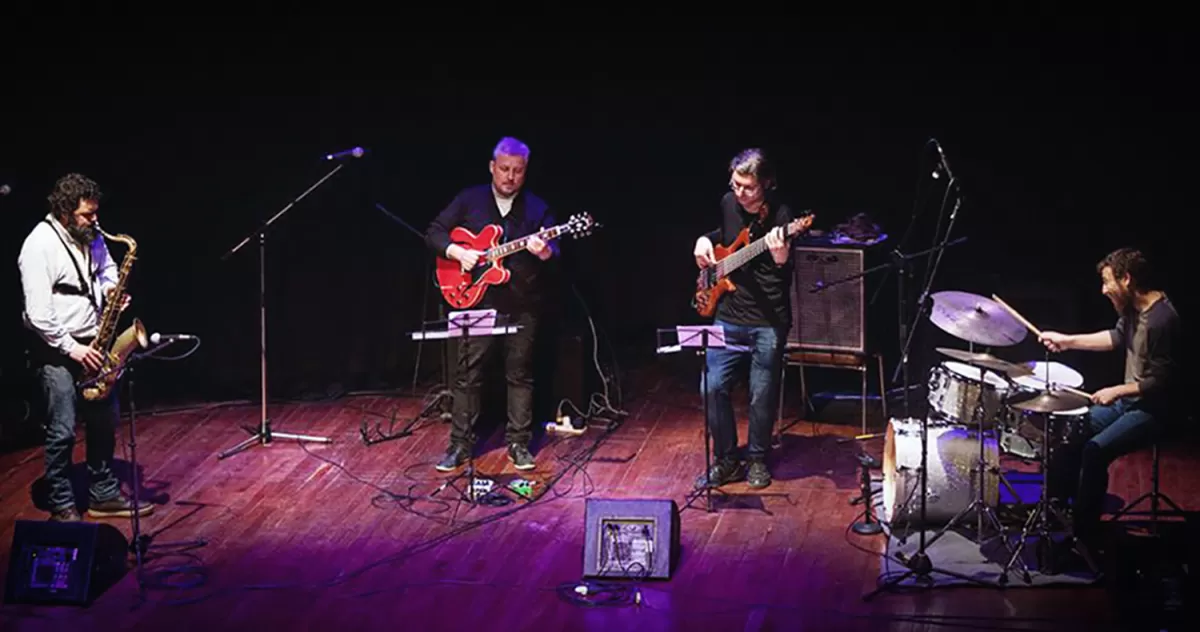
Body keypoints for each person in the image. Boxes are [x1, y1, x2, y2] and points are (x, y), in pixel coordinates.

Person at [17, 173, 154, 522]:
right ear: (64, 211)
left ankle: (103, 494)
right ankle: (61, 502)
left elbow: (107, 269)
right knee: (62, 430)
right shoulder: (38, 246)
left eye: (95, 213)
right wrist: (72, 349)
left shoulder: (91, 236)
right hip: (57, 348)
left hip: (95, 340)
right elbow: (38, 315)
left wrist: (111, 290)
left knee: (103, 422)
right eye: (86, 214)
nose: (96, 221)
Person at [425, 137, 558, 472]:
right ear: (492, 167)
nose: (510, 177)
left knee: (520, 374)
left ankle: (519, 443)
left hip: (522, 302)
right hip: (474, 301)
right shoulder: (470, 200)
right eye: (504, 169)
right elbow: (435, 232)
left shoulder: (537, 208)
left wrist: (544, 251)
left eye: (517, 171)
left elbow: (554, 254)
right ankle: (459, 445)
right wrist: (458, 252)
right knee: (467, 375)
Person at [1038, 247, 1181, 551]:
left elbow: (1161, 381)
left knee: (1094, 451)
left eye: (1107, 282)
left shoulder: (1162, 320)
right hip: (1130, 404)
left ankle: (1085, 536)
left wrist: (1116, 390)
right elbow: (1115, 338)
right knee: (1072, 430)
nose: (1103, 290)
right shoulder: (1133, 311)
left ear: (1126, 279)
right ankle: (1055, 515)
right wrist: (1067, 340)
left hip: (1156, 411)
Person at [691, 148, 802, 490]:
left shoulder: (783, 214)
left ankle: (756, 459)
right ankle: (727, 460)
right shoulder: (728, 203)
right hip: (728, 313)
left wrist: (779, 251)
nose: (739, 193)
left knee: (761, 393)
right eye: (735, 185)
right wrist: (702, 241)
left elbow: (784, 264)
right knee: (710, 387)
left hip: (767, 320)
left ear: (765, 184)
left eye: (748, 187)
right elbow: (722, 237)